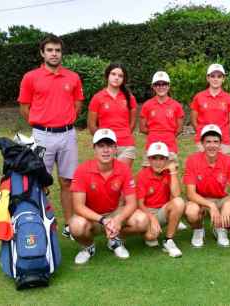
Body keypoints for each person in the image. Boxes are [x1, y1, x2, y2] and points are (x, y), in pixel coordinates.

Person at [18, 35, 84, 238]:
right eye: (50, 50)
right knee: (40, 182)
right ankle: (41, 225)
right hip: (42, 136)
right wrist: (40, 124)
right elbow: (24, 107)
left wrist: (66, 120)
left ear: (62, 53)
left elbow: (78, 103)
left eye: (57, 50)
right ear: (42, 53)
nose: (54, 54)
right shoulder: (30, 77)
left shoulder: (72, 77)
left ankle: (69, 225)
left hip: (67, 134)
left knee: (68, 181)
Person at [69, 129, 149, 264]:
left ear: (115, 149)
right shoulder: (82, 170)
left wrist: (118, 219)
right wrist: (103, 220)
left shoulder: (123, 169)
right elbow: (78, 206)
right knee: (76, 226)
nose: (106, 150)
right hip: (92, 216)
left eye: (110, 146)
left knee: (142, 221)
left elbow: (131, 203)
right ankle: (88, 247)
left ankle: (115, 240)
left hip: (114, 212)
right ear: (94, 148)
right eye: (101, 146)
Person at [183, 124, 230, 248]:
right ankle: (198, 229)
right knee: (191, 212)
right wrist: (210, 205)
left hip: (220, 199)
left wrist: (227, 204)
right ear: (202, 144)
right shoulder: (192, 160)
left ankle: (221, 227)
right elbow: (190, 193)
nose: (212, 145)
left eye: (215, 141)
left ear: (220, 144)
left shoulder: (228, 161)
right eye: (208, 141)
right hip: (200, 200)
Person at [136, 142, 186, 258]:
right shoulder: (142, 175)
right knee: (151, 237)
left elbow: (176, 194)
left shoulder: (169, 173)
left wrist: (173, 172)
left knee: (179, 202)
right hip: (148, 212)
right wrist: (152, 218)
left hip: (163, 210)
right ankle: (150, 232)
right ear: (149, 160)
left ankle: (168, 240)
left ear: (167, 160)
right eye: (154, 158)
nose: (158, 162)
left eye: (162, 159)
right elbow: (140, 204)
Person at [88, 63, 137, 168]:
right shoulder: (97, 98)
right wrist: (102, 141)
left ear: (124, 79)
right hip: (106, 146)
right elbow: (92, 126)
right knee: (106, 179)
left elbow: (132, 123)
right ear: (107, 76)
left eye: (120, 76)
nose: (116, 78)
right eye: (113, 74)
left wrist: (125, 134)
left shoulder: (130, 98)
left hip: (126, 145)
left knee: (120, 178)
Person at [140, 71, 184, 167]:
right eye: (157, 84)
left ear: (168, 86)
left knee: (171, 177)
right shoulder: (147, 105)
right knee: (148, 176)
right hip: (151, 147)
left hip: (170, 147)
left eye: (164, 84)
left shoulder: (176, 106)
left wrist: (168, 135)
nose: (161, 87)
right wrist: (155, 134)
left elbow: (180, 129)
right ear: (153, 86)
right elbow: (142, 128)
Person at [190, 63, 230, 154]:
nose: (216, 79)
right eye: (213, 76)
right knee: (201, 167)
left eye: (219, 76)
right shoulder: (198, 97)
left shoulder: (229, 98)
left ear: (223, 79)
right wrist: (204, 133)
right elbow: (194, 121)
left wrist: (221, 134)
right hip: (203, 141)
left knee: (224, 168)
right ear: (208, 78)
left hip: (223, 142)